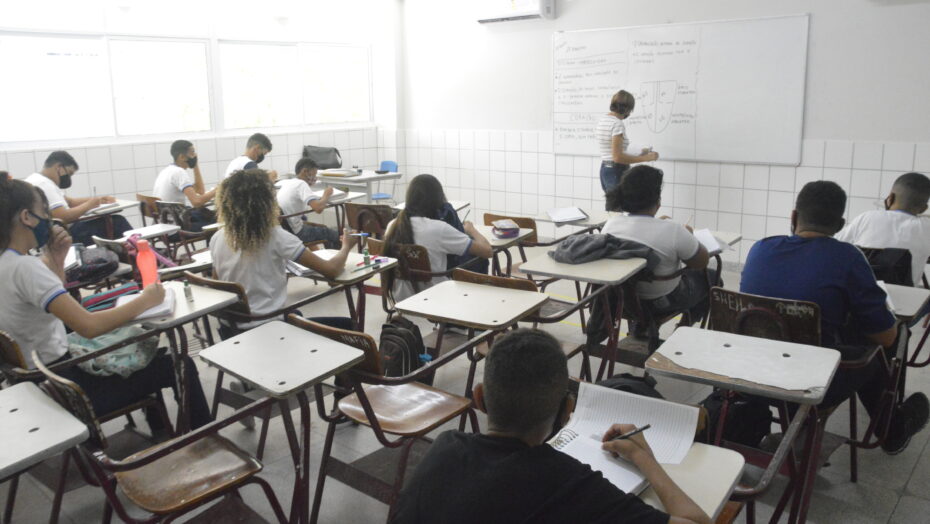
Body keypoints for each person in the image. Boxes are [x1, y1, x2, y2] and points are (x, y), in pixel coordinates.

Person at [392, 328, 710, 524]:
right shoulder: (572, 485)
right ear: (567, 410)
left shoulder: (445, 447)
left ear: (479, 399)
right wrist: (646, 460)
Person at [0, 177, 212, 432]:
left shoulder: (9, 263)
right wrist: (146, 300)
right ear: (27, 217)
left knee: (141, 352)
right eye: (44, 212)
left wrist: (56, 258)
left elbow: (52, 308)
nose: (48, 219)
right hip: (70, 388)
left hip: (40, 385)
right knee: (179, 363)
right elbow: (88, 326)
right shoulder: (26, 268)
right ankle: (205, 438)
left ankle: (161, 430)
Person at [741, 180, 929, 454]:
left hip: (749, 368)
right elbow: (886, 336)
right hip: (813, 378)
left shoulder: (760, 249)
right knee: (878, 349)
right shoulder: (847, 258)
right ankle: (892, 430)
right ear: (841, 225)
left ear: (793, 217)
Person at [210, 168, 357, 337]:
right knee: (349, 325)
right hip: (269, 327)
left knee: (297, 314)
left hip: (230, 329)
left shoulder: (217, 238)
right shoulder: (275, 236)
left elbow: (219, 286)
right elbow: (332, 270)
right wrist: (346, 245)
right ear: (266, 202)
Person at [602, 165, 710, 328]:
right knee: (712, 277)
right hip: (662, 302)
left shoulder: (610, 225)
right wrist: (688, 235)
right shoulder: (673, 231)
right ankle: (684, 328)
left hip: (622, 302)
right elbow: (701, 262)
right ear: (657, 201)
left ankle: (641, 328)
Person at [383, 174, 492, 302]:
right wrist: (471, 230)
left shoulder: (393, 225)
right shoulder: (437, 229)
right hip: (435, 296)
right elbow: (487, 251)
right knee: (480, 260)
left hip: (401, 297)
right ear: (438, 199)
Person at [836, 172, 930, 286]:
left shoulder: (867, 218)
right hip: (906, 299)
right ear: (924, 209)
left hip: (860, 292)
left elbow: (837, 244)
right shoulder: (926, 227)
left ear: (890, 198)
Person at [25, 151, 131, 247]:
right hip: (67, 234)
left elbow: (70, 202)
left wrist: (99, 200)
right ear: (59, 167)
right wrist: (89, 205)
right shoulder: (44, 184)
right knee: (117, 222)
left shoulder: (38, 179)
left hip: (55, 233)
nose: (69, 178)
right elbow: (63, 217)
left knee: (112, 220)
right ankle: (136, 252)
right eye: (69, 173)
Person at [596, 90, 660, 193]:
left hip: (605, 168)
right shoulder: (617, 124)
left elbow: (613, 151)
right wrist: (646, 158)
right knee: (618, 205)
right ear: (627, 109)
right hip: (616, 170)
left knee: (613, 205)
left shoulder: (603, 120)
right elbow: (617, 157)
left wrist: (641, 152)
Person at [152, 140, 217, 232]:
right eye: (193, 152)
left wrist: (195, 165)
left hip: (165, 223)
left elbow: (200, 191)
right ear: (182, 157)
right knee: (217, 223)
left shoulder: (167, 171)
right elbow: (197, 202)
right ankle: (214, 246)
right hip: (176, 227)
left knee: (208, 215)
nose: (195, 155)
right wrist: (218, 189)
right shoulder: (179, 172)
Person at [276, 158, 340, 248]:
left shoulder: (288, 183)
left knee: (321, 228)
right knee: (335, 235)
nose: (315, 178)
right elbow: (318, 209)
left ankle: (326, 258)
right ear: (305, 171)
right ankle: (335, 260)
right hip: (297, 232)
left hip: (285, 229)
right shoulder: (301, 184)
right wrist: (327, 194)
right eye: (314, 174)